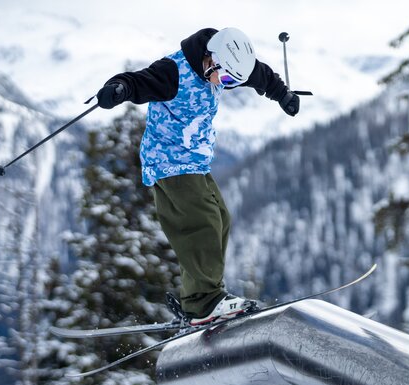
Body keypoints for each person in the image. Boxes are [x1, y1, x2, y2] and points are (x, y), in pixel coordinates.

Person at [95, 27, 300, 326]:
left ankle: (195, 299)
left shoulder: (222, 66)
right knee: (202, 222)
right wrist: (118, 89)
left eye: (233, 81)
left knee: (220, 218)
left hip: (194, 162)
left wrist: (282, 94)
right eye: (226, 78)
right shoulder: (172, 72)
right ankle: (206, 302)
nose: (226, 84)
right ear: (210, 59)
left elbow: (260, 75)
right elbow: (136, 81)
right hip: (168, 162)